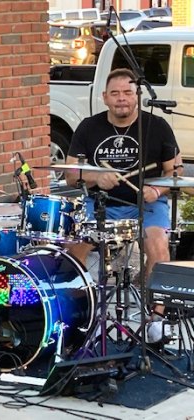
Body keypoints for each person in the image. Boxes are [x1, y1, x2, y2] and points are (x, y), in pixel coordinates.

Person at [65, 67, 183, 343]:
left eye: (128, 93)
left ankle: (156, 318)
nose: (122, 99)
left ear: (137, 96)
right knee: (76, 247)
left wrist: (158, 188)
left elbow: (174, 171)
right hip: (102, 203)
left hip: (147, 204)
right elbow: (71, 174)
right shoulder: (89, 127)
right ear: (105, 97)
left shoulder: (157, 126)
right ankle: (81, 313)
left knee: (158, 245)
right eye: (115, 93)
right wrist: (96, 177)